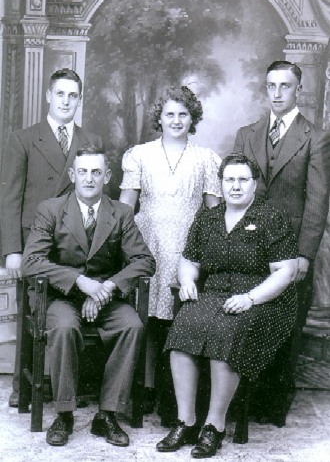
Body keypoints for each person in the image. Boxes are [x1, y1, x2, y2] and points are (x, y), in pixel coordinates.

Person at [156, 153, 298, 459]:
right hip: (215, 293)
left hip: (262, 298)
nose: (235, 186)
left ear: (254, 184)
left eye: (242, 180)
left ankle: (214, 426)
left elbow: (285, 272)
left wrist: (250, 298)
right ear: (221, 183)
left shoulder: (271, 217)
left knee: (225, 332)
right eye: (229, 179)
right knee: (183, 329)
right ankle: (185, 421)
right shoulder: (207, 218)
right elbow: (188, 259)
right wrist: (189, 280)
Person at [22, 147, 156, 447]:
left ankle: (107, 414)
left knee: (131, 325)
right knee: (66, 326)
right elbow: (32, 262)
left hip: (105, 295)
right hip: (59, 296)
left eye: (96, 172)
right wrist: (80, 283)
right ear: (72, 175)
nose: (89, 178)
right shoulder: (52, 209)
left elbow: (145, 261)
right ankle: (65, 414)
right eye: (82, 171)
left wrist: (106, 288)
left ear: (107, 177)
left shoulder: (120, 213)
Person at [0, 68, 104, 408]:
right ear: (48, 96)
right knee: (29, 314)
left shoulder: (90, 141)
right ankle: (22, 387)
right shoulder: (24, 138)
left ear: (79, 99)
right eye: (60, 94)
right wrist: (12, 249)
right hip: (36, 243)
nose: (66, 101)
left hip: (76, 245)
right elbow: (10, 197)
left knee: (68, 314)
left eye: (72, 95)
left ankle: (68, 388)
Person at [234, 60, 330, 424]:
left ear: (298, 90)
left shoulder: (315, 137)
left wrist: (305, 254)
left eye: (284, 86)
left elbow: (318, 200)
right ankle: (243, 398)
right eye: (271, 86)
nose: (276, 94)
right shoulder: (248, 134)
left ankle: (274, 405)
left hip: (292, 248)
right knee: (250, 317)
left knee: (287, 324)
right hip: (251, 244)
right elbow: (237, 189)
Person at [119, 86, 221, 422]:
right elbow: (124, 210)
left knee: (179, 322)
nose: (176, 120)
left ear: (193, 119)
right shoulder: (140, 155)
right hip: (148, 246)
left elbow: (214, 214)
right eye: (169, 114)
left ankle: (173, 401)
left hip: (187, 251)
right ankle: (144, 391)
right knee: (146, 321)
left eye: (183, 114)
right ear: (159, 119)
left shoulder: (205, 159)